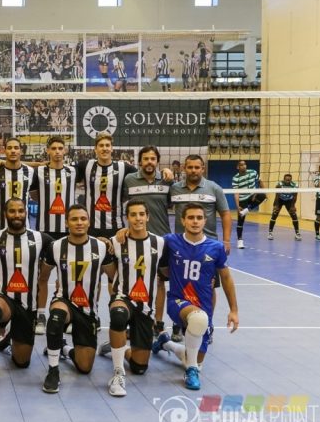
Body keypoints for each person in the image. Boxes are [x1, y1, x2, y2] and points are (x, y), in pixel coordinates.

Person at [152, 203, 239, 390]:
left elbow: (226, 278)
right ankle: (190, 371)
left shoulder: (215, 247)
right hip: (178, 302)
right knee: (198, 323)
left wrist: (233, 310)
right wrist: (124, 232)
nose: (195, 221)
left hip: (203, 306)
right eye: (190, 217)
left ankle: (166, 343)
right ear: (182, 220)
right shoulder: (170, 241)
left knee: (194, 359)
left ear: (205, 221)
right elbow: (144, 240)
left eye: (199, 218)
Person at [0, 198, 53, 394]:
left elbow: (69, 247)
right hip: (5, 297)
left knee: (21, 363)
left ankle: (9, 338)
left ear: (26, 213)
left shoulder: (42, 238)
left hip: (29, 304)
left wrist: (104, 241)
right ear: (5, 214)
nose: (17, 215)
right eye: (12, 211)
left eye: (20, 211)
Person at [40, 204, 114, 393]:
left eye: (83, 219)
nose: (79, 223)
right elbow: (43, 277)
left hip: (88, 310)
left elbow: (114, 277)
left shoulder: (101, 247)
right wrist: (40, 310)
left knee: (84, 367)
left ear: (89, 222)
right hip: (63, 301)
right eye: (74, 219)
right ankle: (53, 370)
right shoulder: (56, 246)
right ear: (66, 222)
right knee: (56, 318)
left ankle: (64, 348)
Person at [99, 200, 168, 397]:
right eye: (133, 214)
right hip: (123, 296)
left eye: (141, 214)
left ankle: (116, 347)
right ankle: (118, 372)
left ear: (148, 217)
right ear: (127, 218)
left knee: (139, 367)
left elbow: (165, 276)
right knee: (119, 315)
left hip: (146, 306)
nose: (137, 218)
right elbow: (102, 257)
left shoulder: (160, 243)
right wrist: (105, 241)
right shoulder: (117, 241)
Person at [169, 154, 231, 342]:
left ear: (203, 169)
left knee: (209, 288)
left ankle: (207, 324)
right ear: (184, 169)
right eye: (190, 167)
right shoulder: (174, 189)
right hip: (182, 246)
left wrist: (226, 240)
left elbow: (226, 214)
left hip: (208, 246)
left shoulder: (214, 188)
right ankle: (178, 324)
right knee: (179, 287)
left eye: (197, 167)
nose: (193, 170)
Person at [30, 136, 77, 334]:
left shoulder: (73, 171)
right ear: (47, 150)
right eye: (54, 148)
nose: (57, 151)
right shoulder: (38, 171)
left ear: (65, 151)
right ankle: (40, 314)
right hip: (45, 231)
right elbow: (33, 194)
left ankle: (67, 315)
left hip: (68, 231)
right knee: (42, 274)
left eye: (60, 148)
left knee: (66, 276)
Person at [75, 132, 138, 239]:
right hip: (90, 227)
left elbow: (143, 175)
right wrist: (37, 165)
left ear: (112, 148)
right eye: (101, 145)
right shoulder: (85, 165)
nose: (104, 148)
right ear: (95, 149)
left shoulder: (123, 167)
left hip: (116, 228)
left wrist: (165, 170)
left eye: (107, 145)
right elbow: (61, 170)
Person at [121, 146, 172, 237]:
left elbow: (171, 204)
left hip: (163, 235)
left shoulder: (166, 180)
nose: (149, 161)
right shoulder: (129, 180)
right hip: (136, 236)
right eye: (146, 159)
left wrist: (166, 170)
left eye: (153, 159)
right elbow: (122, 204)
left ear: (157, 161)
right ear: (140, 162)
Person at [232, 160, 266, 249]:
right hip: (243, 199)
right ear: (238, 167)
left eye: (244, 164)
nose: (244, 166)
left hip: (252, 195)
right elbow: (236, 193)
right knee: (240, 221)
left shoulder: (253, 172)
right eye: (241, 165)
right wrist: (237, 205)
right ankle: (240, 241)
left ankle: (247, 209)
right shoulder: (236, 178)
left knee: (263, 195)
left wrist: (264, 192)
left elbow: (260, 182)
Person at [268, 174, 301, 240]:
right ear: (284, 179)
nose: (287, 181)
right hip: (279, 200)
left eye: (289, 180)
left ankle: (297, 234)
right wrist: (276, 206)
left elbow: (295, 196)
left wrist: (293, 206)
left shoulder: (295, 185)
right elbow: (277, 195)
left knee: (294, 215)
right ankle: (270, 233)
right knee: (274, 214)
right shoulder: (279, 184)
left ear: (291, 180)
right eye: (286, 180)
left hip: (289, 200)